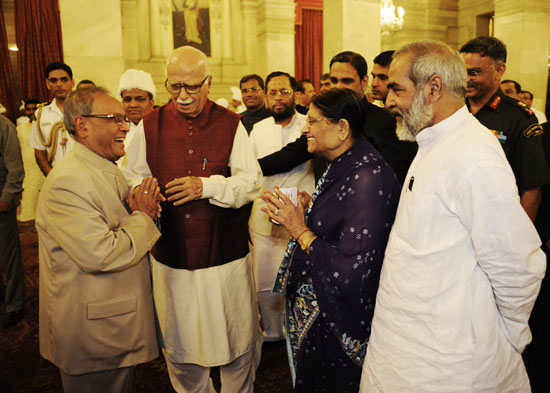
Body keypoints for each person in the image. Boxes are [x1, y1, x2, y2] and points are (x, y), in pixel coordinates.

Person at [360, 40, 546, 392]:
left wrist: (504, 337)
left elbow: (517, 265)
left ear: (433, 88)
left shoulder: (472, 154)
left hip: (451, 359)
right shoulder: (433, 141)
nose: (388, 102)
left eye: (397, 89)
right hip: (410, 345)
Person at [121, 45, 262, 393]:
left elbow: (251, 182)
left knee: (235, 338)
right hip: (171, 254)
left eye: (192, 87)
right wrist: (144, 189)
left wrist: (207, 186)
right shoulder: (148, 125)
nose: (182, 97)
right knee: (179, 342)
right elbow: (129, 173)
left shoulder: (231, 123)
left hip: (223, 254)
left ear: (208, 82)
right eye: (174, 87)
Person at [261, 88, 399, 392]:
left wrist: (300, 230)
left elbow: (355, 266)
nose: (304, 128)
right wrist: (311, 209)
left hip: (337, 320)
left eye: (312, 121)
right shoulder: (347, 162)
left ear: (342, 128)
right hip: (318, 310)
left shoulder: (367, 175)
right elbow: (345, 222)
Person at [35, 87, 162, 393]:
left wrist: (138, 211)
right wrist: (143, 216)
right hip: (94, 331)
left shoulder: (102, 167)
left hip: (110, 321)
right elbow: (100, 255)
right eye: (113, 118)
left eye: (124, 118)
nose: (125, 126)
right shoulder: (69, 181)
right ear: (82, 125)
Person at [258, 51, 416, 185]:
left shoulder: (384, 121)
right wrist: (249, 170)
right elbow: (291, 154)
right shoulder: (321, 117)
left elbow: (393, 176)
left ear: (363, 82)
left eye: (346, 81)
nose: (338, 87)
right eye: (334, 81)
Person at [248, 71, 314, 346]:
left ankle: (298, 332)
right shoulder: (258, 129)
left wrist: (309, 197)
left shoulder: (309, 124)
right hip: (264, 216)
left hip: (300, 218)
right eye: (273, 92)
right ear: (266, 96)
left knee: (297, 280)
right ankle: (273, 333)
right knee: (265, 280)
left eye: (284, 92)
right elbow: (249, 172)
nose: (278, 97)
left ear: (295, 94)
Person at [460, 36, 550, 222]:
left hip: (498, 219)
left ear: (499, 71)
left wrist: (521, 238)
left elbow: (532, 186)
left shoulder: (520, 117)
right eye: (462, 72)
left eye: (474, 72)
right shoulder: (454, 108)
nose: (466, 79)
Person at [0, 116, 25, 328]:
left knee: (8, 256)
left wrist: (6, 198)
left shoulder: (3, 126)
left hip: (0, 203)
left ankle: (15, 304)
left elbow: (15, 168)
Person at [28, 62, 75, 176]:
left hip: (85, 176)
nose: (59, 84)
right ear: (47, 84)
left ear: (72, 82)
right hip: (55, 176)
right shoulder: (40, 114)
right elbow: (39, 152)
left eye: (64, 80)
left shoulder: (86, 111)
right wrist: (52, 177)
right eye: (53, 80)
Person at [117, 68, 156, 167]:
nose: (133, 105)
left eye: (140, 99)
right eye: (127, 99)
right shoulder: (114, 132)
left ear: (151, 103)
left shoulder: (163, 130)